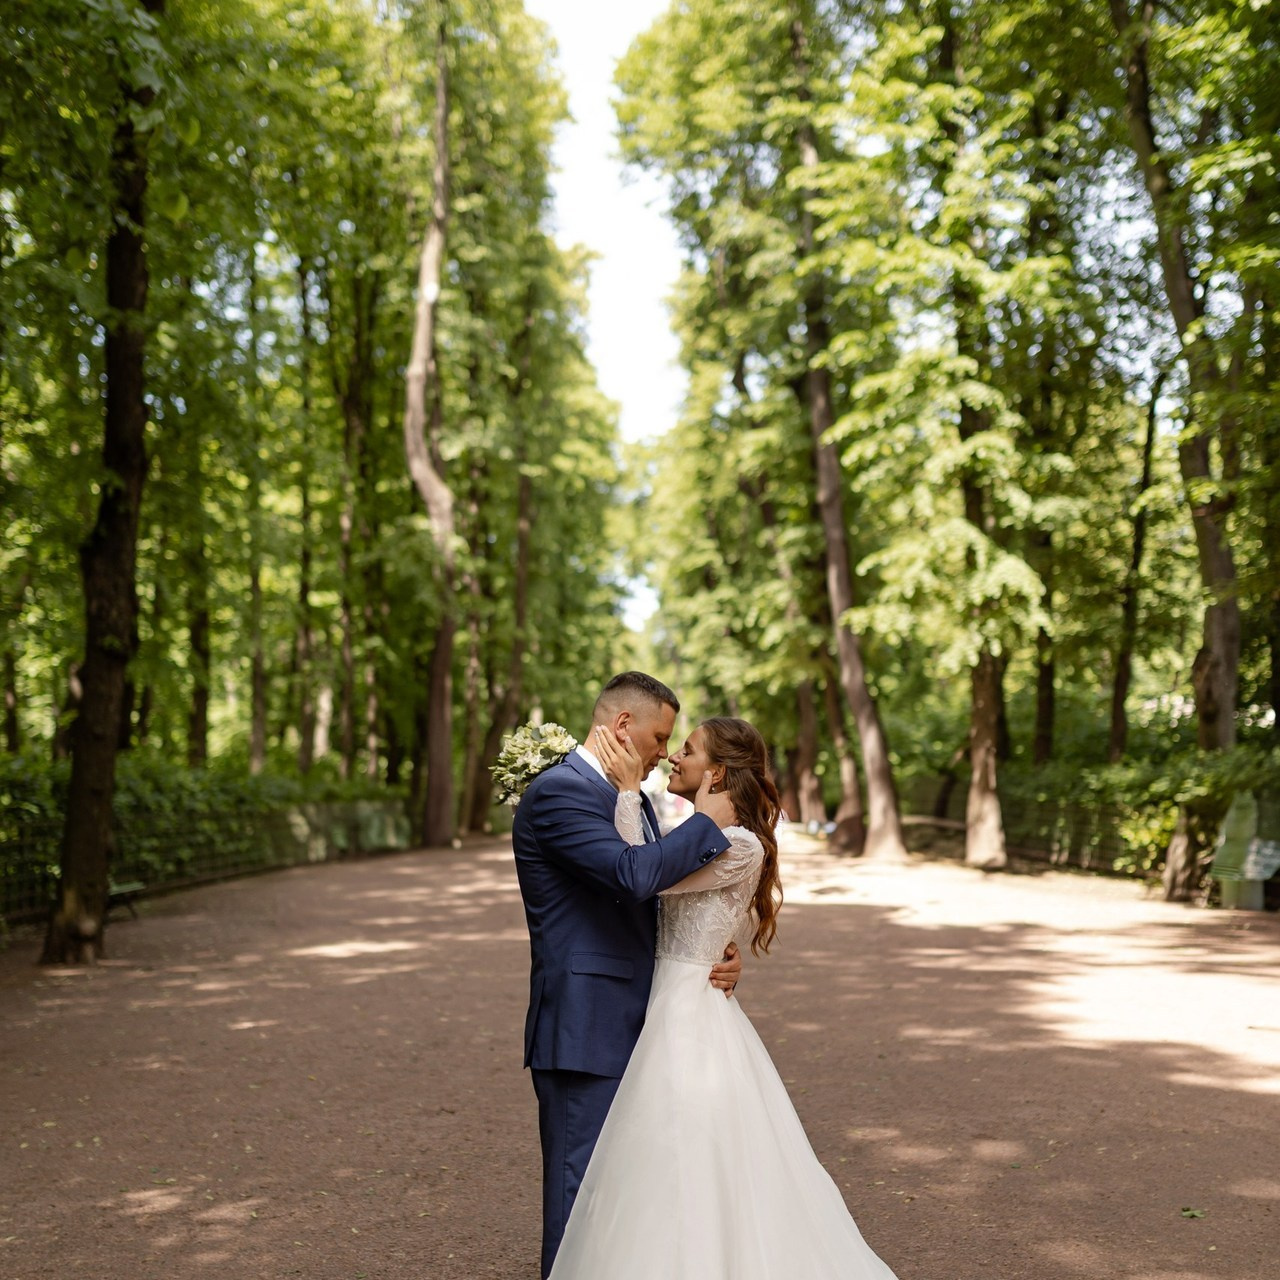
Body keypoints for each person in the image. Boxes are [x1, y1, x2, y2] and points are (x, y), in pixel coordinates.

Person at [548, 716, 901, 1280]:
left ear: (715, 771)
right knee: (657, 1149)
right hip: (668, 993)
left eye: (684, 750)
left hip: (687, 1009)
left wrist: (626, 790)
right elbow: (658, 879)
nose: (672, 758)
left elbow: (646, 880)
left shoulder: (737, 844)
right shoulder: (705, 834)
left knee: (685, 1145)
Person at [511, 672, 742, 1279]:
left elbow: (650, 899)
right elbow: (630, 875)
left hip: (642, 1017)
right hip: (587, 1025)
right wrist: (710, 818)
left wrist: (714, 948)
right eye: (661, 737)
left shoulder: (628, 794)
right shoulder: (560, 792)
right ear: (622, 726)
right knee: (579, 1190)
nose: (666, 752)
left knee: (625, 1188)